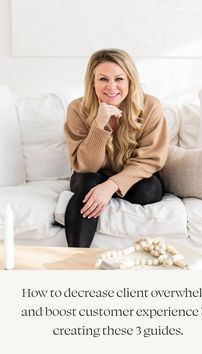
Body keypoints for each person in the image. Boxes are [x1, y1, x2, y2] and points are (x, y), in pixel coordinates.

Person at [64, 48, 168, 247]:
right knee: (88, 181)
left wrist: (110, 186)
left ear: (130, 80)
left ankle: (105, 192)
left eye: (119, 79)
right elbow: (86, 166)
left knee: (149, 190)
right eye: (103, 79)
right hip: (92, 175)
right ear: (92, 82)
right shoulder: (77, 109)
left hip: (132, 178)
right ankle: (75, 263)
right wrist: (99, 125)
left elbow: (151, 158)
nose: (111, 87)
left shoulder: (150, 106)